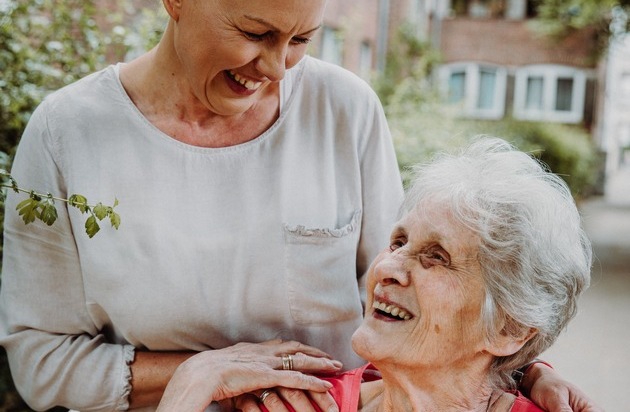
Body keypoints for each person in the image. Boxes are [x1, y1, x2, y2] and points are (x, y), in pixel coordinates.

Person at [0, 0, 598, 409]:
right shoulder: (68, 133)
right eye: (256, 33)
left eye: (301, 40)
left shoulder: (345, 108)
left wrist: (518, 371)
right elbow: (39, 358)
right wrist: (201, 374)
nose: (276, 68)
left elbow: (421, 295)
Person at [156, 137, 597, 412]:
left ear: (509, 328)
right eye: (399, 242)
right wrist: (190, 384)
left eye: (436, 257)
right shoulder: (297, 404)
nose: (386, 268)